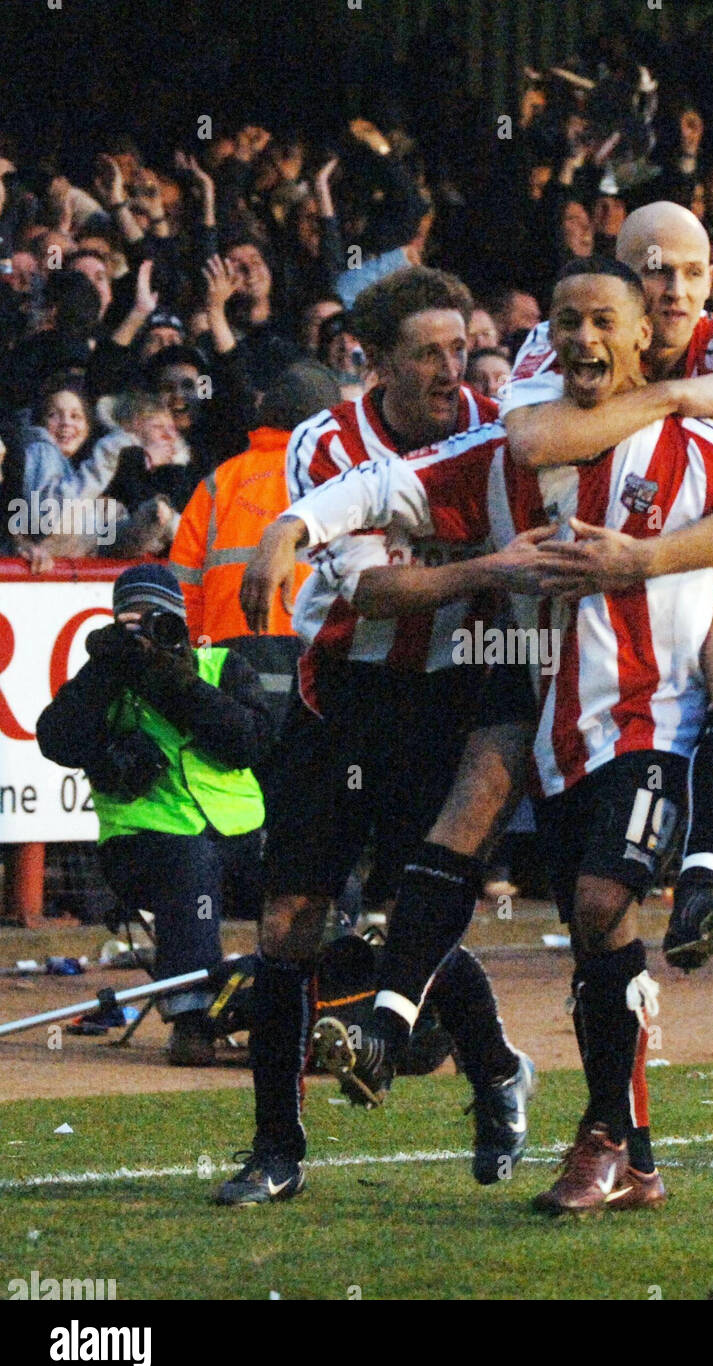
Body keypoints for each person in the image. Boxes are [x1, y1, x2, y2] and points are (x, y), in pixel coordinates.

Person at [241, 257, 713, 1213]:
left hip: (600, 715)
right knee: (505, 909)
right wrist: (292, 528)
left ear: (639, 336)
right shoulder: (488, 448)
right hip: (389, 696)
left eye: (463, 350)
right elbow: (382, 519)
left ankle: (702, 888)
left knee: (592, 894)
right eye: (567, 322)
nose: (452, 370)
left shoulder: (693, 455)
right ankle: (582, 1128)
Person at [215, 267, 558, 1207]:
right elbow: (368, 589)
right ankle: (277, 1149)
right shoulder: (327, 443)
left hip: (452, 703)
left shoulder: (504, 430)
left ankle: (494, 1072)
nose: (456, 370)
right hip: (345, 699)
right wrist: (490, 563)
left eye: (462, 347)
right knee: (291, 921)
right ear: (374, 362)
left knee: (419, 913)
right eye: (430, 354)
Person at [501, 203, 713, 965]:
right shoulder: (562, 339)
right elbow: (532, 438)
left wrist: (644, 561)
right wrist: (674, 396)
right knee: (580, 882)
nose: (676, 289)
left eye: (694, 272)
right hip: (581, 585)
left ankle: (705, 881)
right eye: (655, 270)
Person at [35, 565, 272, 1066]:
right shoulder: (106, 679)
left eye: (159, 623)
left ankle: (314, 1002)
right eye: (133, 624)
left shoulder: (220, 665)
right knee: (191, 864)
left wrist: (171, 680)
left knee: (308, 869)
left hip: (242, 840)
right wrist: (108, 668)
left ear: (182, 622)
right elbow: (56, 738)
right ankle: (192, 1020)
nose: (146, 637)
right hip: (144, 849)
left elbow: (249, 742)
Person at [169, 362, 340, 726]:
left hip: (231, 657)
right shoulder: (345, 480)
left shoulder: (219, 482)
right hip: (323, 653)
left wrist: (198, 658)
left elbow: (184, 588)